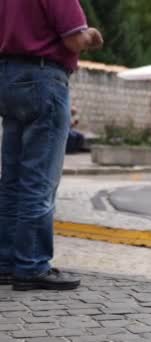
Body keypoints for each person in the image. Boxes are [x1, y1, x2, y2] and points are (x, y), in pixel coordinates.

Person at [0, 0, 103, 291]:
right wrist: (91, 36)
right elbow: (74, 39)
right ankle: (31, 265)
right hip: (44, 79)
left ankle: (6, 262)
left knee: (12, 180)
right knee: (39, 180)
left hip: (9, 77)